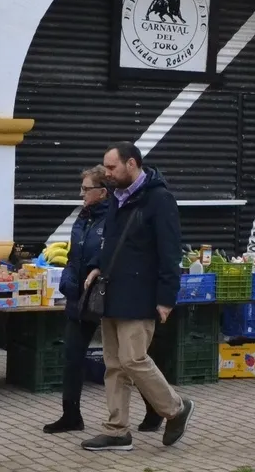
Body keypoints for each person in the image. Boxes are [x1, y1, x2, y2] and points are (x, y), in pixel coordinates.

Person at [80, 141, 194, 452]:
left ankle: (176, 408)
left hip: (141, 295)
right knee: (114, 365)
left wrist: (166, 298)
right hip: (111, 293)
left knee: (133, 359)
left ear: (132, 164)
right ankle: (117, 431)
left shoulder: (159, 199)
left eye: (112, 167)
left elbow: (170, 252)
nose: (107, 173)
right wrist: (97, 265)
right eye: (106, 167)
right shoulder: (116, 197)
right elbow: (110, 241)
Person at [43, 166, 110, 434]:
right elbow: (73, 256)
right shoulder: (82, 219)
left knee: (125, 361)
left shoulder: (115, 220)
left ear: (102, 192)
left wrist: (97, 268)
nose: (81, 193)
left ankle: (154, 408)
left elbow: (112, 255)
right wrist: (68, 279)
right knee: (72, 356)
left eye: (86, 189)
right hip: (78, 297)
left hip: (103, 297)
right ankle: (71, 415)